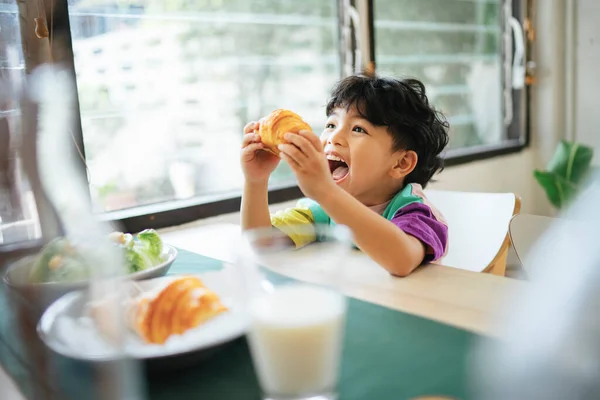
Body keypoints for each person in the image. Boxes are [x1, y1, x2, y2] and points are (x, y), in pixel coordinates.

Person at [240, 74, 449, 276]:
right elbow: (261, 243)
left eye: (358, 129)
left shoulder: (417, 214)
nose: (334, 137)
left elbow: (401, 261)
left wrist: (326, 192)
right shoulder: (322, 211)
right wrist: (256, 181)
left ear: (401, 163)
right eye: (331, 125)